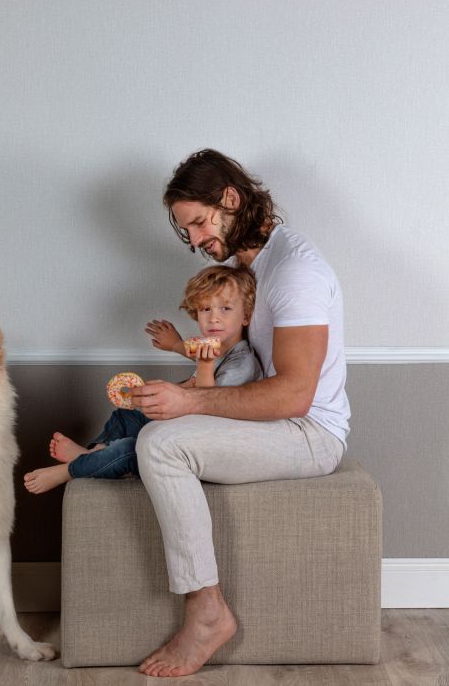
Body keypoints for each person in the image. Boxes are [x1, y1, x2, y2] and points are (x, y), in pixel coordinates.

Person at [128, 148, 350, 678]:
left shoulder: (294, 271)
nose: (195, 241)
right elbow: (225, 362)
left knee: (161, 445)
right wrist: (182, 387)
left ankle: (207, 613)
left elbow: (294, 395)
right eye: (187, 231)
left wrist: (190, 402)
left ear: (230, 199)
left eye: (199, 223)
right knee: (152, 422)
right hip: (277, 420)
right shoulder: (243, 270)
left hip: (310, 431)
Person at [23, 264, 261, 494]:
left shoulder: (241, 364)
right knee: (125, 416)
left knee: (130, 449)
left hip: (201, 451)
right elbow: (194, 375)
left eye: (225, 309)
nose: (214, 318)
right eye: (206, 309)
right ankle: (92, 455)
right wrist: (175, 350)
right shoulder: (215, 351)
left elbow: (209, 410)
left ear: (246, 316)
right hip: (184, 431)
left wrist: (204, 366)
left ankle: (70, 470)